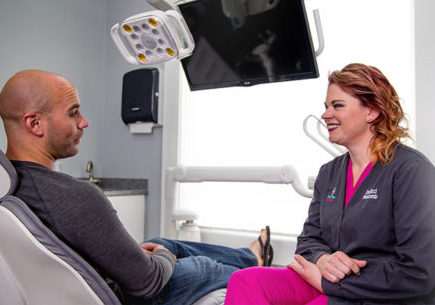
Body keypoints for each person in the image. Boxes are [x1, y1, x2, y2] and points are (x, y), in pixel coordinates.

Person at [0, 69, 274, 305]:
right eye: (73, 113)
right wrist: (165, 257)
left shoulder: (12, 189)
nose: (84, 122)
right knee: (199, 264)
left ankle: (249, 255)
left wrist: (155, 252)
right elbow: (149, 283)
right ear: (35, 123)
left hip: (92, 281)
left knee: (161, 243)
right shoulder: (75, 197)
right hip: (126, 295)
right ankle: (262, 273)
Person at [223, 63, 435, 305]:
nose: (325, 114)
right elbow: (308, 241)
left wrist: (333, 283)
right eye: (326, 106)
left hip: (378, 294)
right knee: (245, 281)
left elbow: (418, 273)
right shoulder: (329, 173)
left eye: (337, 106)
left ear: (372, 111)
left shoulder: (412, 171)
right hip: (327, 279)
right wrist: (323, 259)